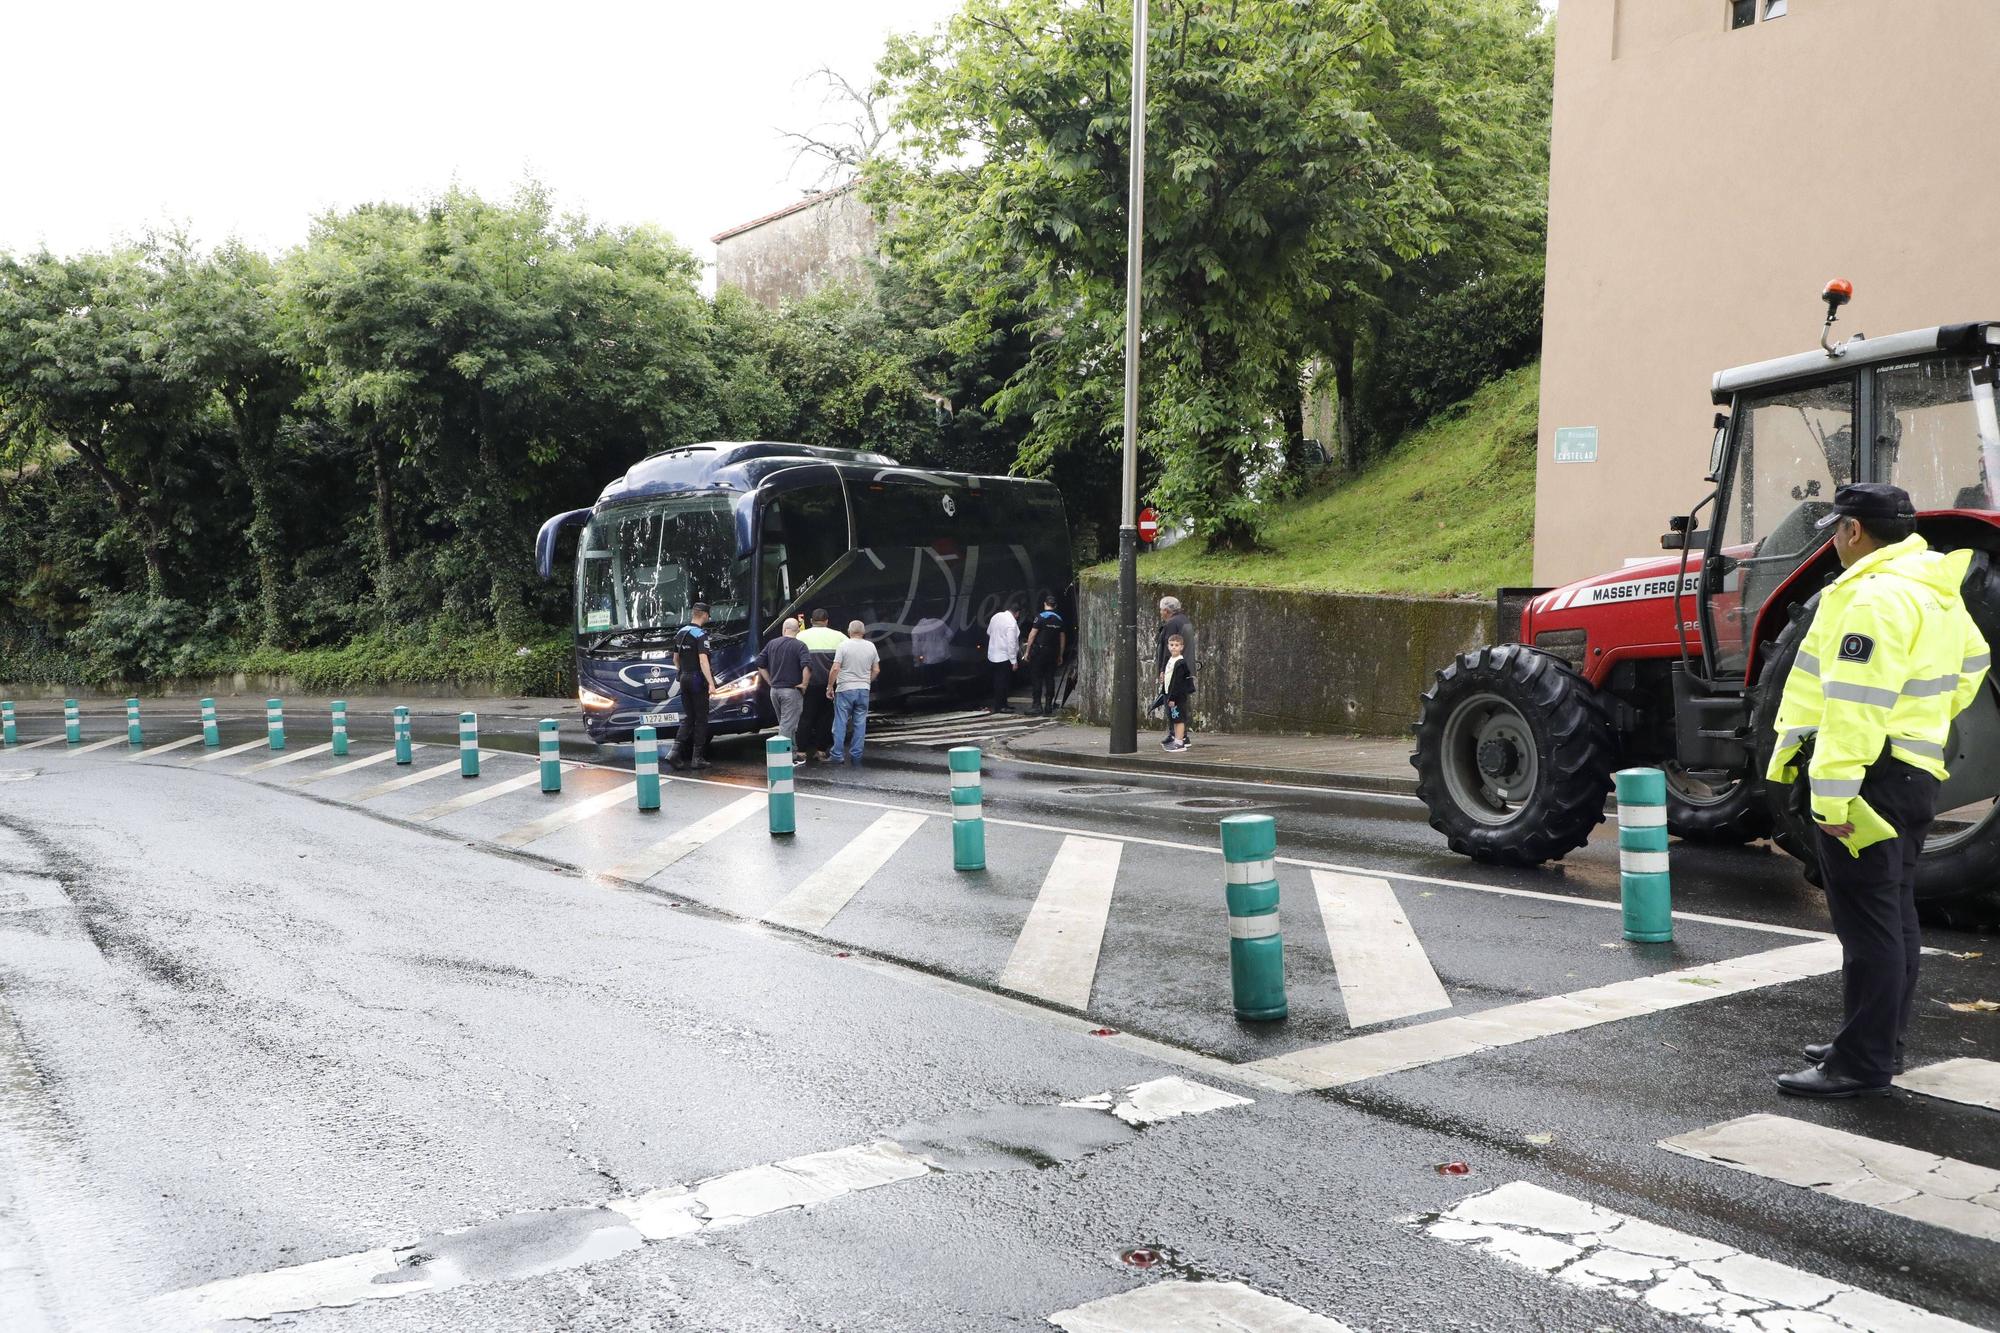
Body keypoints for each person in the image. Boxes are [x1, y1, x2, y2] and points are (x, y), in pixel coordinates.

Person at [1765, 483, 1990, 1099]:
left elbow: (1854, 708)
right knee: (1892, 915)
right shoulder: (1934, 589)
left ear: (1855, 531)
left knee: (1868, 925)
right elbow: (1973, 664)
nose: (1834, 538)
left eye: (1837, 528)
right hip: (1912, 772)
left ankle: (1860, 1063)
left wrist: (1833, 799)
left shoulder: (1873, 597)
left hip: (1871, 778)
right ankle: (1874, 1039)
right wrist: (1925, 720)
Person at [667, 602, 717, 771]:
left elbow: (675, 659)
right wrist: (711, 683)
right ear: (704, 615)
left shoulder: (680, 633)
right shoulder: (700, 634)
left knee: (689, 717)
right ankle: (697, 758)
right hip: (697, 680)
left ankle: (674, 752)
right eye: (708, 615)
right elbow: (703, 661)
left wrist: (683, 672)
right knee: (701, 718)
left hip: (684, 678)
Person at [757, 616, 810, 765]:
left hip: (775, 691)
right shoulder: (800, 646)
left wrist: (770, 681)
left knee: (786, 723)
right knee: (788, 725)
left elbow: (760, 664)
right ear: (797, 630)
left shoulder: (772, 644)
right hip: (791, 691)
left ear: (784, 629)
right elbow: (806, 666)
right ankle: (782, 758)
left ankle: (793, 753)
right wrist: (804, 684)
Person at [827, 620, 880, 766]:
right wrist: (866, 681)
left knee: (840, 722)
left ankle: (837, 754)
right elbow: (876, 670)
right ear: (863, 632)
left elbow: (836, 668)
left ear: (849, 631)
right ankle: (856, 753)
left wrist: (830, 686)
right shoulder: (871, 646)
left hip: (845, 689)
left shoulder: (843, 646)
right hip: (863, 690)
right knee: (860, 723)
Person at [798, 608, 846, 762]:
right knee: (825, 718)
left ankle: (801, 751)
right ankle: (821, 750)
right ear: (827, 621)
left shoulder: (801, 636)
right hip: (829, 685)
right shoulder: (839, 636)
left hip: (808, 684)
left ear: (811, 621)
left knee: (806, 717)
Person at [1154, 595, 1195, 745]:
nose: (1160, 613)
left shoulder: (1172, 624)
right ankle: (1180, 735)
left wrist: (1163, 670)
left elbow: (1167, 649)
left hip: (1174, 670)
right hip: (1185, 668)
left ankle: (1177, 735)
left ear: (1166, 610)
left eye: (1161, 610)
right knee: (1180, 702)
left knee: (1171, 702)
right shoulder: (1184, 620)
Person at [1023, 594, 1068, 716]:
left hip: (1039, 652)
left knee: (1036, 677)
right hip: (1053, 652)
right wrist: (1061, 654)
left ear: (1045, 604)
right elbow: (1062, 639)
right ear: (1055, 606)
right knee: (1050, 678)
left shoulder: (1040, 617)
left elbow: (1032, 635)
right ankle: (1048, 706)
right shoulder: (1059, 619)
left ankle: (1037, 705)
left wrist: (1027, 651)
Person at [984, 598, 1023, 712]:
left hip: (992, 655)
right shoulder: (1011, 623)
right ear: (1017, 613)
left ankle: (1002, 704)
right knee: (1003, 682)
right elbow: (1011, 643)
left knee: (997, 681)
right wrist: (1014, 661)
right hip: (1004, 657)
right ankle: (1001, 706)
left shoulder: (996, 617)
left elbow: (988, 632)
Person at [1160, 631, 1193, 752]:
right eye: (1172, 644)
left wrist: (1173, 698)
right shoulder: (1170, 659)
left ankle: (1180, 742)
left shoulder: (1180, 662)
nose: (1174, 647)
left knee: (1179, 719)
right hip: (1170, 694)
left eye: (1177, 645)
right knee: (1174, 718)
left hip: (1177, 696)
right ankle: (1176, 740)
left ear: (1181, 647)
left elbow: (1178, 683)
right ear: (1168, 646)